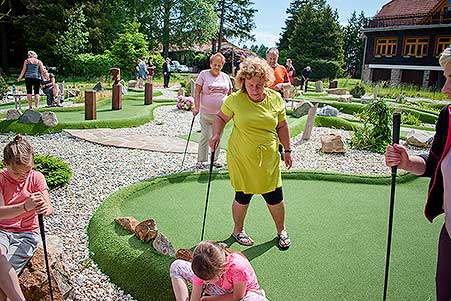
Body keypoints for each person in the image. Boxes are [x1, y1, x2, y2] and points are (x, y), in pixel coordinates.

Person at [384, 46, 451, 301]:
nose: (445, 88)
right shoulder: (448, 116)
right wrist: (407, 161)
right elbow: (434, 163)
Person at [209, 56, 292, 249]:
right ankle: (238, 230)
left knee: (275, 195)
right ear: (243, 82)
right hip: (241, 157)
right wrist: (216, 134)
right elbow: (220, 118)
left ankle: (281, 230)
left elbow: (282, 126)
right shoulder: (235, 100)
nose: (255, 89)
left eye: (260, 85)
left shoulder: (275, 99)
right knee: (242, 194)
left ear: (266, 82)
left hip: (268, 158)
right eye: (251, 84)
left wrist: (287, 150)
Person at [0, 135, 53, 301]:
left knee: (2, 287)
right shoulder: (0, 179)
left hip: (27, 234)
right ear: (4, 164)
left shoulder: (36, 178)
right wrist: (24, 206)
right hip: (2, 230)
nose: (22, 176)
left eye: (27, 171)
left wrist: (45, 208)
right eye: (16, 173)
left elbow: (49, 208)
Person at [170, 240, 268, 301]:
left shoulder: (238, 267)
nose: (204, 282)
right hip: (219, 287)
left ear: (221, 270)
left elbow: (237, 297)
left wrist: (209, 299)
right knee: (176, 266)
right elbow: (195, 296)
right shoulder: (200, 266)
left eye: (207, 280)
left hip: (243, 293)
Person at [192, 52, 233, 169]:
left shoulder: (226, 77)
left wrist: (232, 111)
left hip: (221, 115)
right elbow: (197, 91)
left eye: (219, 65)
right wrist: (196, 107)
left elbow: (231, 95)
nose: (217, 67)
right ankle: (201, 160)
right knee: (205, 135)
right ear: (211, 64)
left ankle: (214, 160)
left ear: (222, 66)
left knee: (217, 136)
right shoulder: (204, 74)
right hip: (206, 113)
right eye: (215, 64)